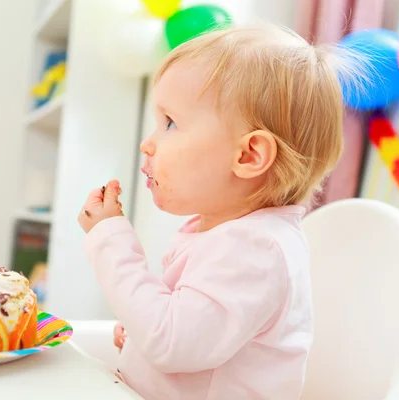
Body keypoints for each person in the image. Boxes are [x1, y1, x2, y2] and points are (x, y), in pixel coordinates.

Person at [78, 23, 359, 400]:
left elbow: (171, 343)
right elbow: (184, 336)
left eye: (171, 123)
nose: (148, 143)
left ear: (248, 156)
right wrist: (140, 336)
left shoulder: (256, 247)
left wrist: (110, 241)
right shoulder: (223, 233)